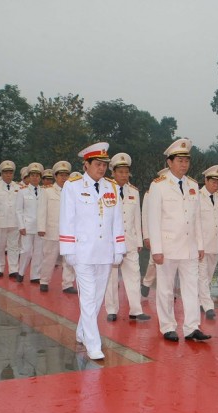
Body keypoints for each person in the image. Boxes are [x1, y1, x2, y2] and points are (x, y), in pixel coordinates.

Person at [59, 142, 126, 360]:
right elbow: (67, 219)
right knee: (87, 297)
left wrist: (119, 247)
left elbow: (117, 220)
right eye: (97, 164)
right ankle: (93, 343)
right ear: (86, 165)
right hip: (83, 251)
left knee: (97, 297)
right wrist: (68, 248)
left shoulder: (111, 187)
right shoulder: (73, 186)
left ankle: (82, 331)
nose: (102, 168)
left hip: (105, 251)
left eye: (104, 165)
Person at [147, 139, 210, 342]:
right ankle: (167, 326)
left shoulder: (193, 185)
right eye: (180, 160)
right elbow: (153, 220)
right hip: (167, 246)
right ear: (169, 162)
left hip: (189, 247)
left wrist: (200, 245)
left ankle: (192, 327)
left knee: (192, 288)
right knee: (165, 289)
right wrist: (156, 249)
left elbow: (197, 219)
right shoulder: (158, 186)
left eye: (186, 161)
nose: (184, 164)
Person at [105, 153, 150, 321]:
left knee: (134, 275)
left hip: (130, 241)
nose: (124, 175)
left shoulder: (134, 192)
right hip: (110, 242)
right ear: (113, 173)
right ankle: (111, 309)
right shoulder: (106, 190)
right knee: (111, 276)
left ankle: (136, 310)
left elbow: (136, 217)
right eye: (120, 172)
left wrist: (138, 240)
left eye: (126, 172)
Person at [37, 160, 77, 294]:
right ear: (55, 176)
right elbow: (42, 211)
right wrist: (41, 228)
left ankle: (68, 284)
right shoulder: (47, 191)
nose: (64, 178)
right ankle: (44, 280)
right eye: (61, 175)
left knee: (68, 260)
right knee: (49, 257)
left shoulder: (72, 191)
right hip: (52, 229)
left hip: (69, 232)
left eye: (66, 175)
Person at [198, 165, 218, 320]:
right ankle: (208, 305)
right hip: (202, 243)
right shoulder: (197, 196)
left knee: (209, 275)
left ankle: (199, 300)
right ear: (206, 181)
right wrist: (197, 244)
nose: (216, 185)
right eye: (213, 182)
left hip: (215, 244)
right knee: (202, 275)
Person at [0, 160, 21, 278]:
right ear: (1, 174)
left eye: (10, 172)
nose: (8, 175)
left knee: (14, 247)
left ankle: (13, 269)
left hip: (14, 222)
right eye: (6, 172)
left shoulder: (18, 187)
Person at [140, 167, 168, 298]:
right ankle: (146, 283)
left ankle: (168, 289)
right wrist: (146, 236)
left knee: (171, 263)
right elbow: (145, 216)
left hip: (171, 235)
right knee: (153, 261)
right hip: (156, 233)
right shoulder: (149, 193)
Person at [16, 162, 45, 284]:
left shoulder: (44, 191)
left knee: (39, 252)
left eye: (37, 175)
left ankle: (35, 275)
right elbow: (18, 210)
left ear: (40, 177)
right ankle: (21, 272)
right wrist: (21, 226)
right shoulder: (22, 192)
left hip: (40, 227)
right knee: (26, 251)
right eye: (32, 175)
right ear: (29, 176)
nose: (35, 177)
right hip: (27, 227)